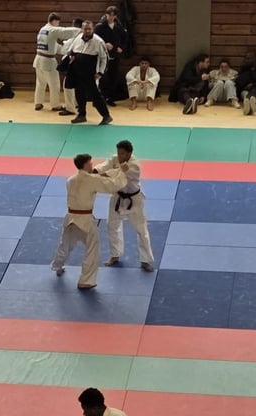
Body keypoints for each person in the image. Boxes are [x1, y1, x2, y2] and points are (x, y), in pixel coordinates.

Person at [50, 152, 127, 289]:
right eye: (90, 163)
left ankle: (57, 266)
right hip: (85, 221)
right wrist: (122, 172)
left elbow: (91, 182)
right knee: (92, 249)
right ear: (85, 165)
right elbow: (114, 185)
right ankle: (85, 281)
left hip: (70, 218)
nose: (92, 165)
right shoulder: (92, 180)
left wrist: (102, 175)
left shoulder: (70, 180)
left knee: (65, 244)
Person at [101, 140, 154, 272]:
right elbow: (105, 165)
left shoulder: (134, 165)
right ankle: (115, 255)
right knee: (112, 225)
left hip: (134, 201)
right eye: (118, 153)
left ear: (129, 154)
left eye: (122, 154)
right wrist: (95, 170)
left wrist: (105, 174)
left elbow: (118, 173)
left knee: (141, 229)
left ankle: (145, 260)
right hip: (117, 197)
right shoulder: (115, 159)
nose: (119, 156)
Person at [65, 20, 112, 125]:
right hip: (77, 71)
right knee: (79, 93)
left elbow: (105, 58)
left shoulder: (98, 41)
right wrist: (70, 56)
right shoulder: (78, 38)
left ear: (93, 29)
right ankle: (81, 115)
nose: (87, 31)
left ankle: (106, 116)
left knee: (95, 95)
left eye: (89, 29)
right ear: (82, 29)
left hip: (90, 72)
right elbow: (70, 50)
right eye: (85, 29)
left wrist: (100, 72)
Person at [32, 12, 79, 111]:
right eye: (57, 22)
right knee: (54, 84)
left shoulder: (43, 29)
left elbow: (53, 45)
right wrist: (80, 30)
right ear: (54, 21)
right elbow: (64, 32)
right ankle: (55, 105)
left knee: (40, 83)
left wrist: (65, 49)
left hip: (38, 59)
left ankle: (38, 103)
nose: (58, 24)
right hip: (48, 61)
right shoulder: (52, 30)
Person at [94, 6, 129, 104]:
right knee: (103, 77)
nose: (111, 17)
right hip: (103, 56)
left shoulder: (119, 27)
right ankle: (102, 98)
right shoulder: (100, 26)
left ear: (116, 16)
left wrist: (121, 47)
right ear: (106, 15)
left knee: (113, 76)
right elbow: (94, 40)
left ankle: (110, 98)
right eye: (109, 15)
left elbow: (125, 38)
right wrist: (104, 44)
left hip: (114, 55)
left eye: (113, 15)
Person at [57, 18, 84, 116]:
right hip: (82, 65)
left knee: (67, 86)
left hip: (73, 64)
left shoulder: (76, 37)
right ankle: (76, 104)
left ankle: (70, 108)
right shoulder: (84, 37)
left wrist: (62, 44)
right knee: (77, 86)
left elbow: (64, 50)